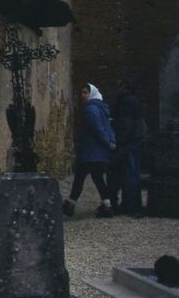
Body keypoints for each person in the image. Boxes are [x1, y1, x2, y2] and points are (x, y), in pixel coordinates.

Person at [62, 83, 116, 218]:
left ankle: (70, 205)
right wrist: (110, 142)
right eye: (82, 93)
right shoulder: (102, 108)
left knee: (81, 178)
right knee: (97, 178)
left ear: (91, 94)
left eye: (85, 93)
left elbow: (98, 129)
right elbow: (107, 127)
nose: (83, 95)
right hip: (97, 152)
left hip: (90, 151)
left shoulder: (91, 109)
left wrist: (108, 143)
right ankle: (107, 206)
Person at [108, 79, 147, 215]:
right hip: (134, 141)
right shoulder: (133, 101)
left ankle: (130, 205)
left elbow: (126, 125)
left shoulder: (126, 102)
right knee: (132, 173)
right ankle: (132, 204)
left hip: (128, 143)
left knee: (129, 174)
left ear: (124, 87)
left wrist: (120, 143)